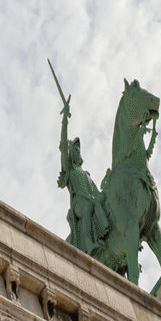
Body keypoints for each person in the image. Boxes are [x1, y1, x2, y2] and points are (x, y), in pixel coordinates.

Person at [58, 100, 107, 255]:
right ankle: (89, 244)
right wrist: (65, 120)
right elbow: (63, 147)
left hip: (91, 201)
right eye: (75, 149)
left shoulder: (86, 175)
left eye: (79, 149)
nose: (78, 151)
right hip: (79, 205)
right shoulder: (70, 169)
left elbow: (98, 194)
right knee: (88, 208)